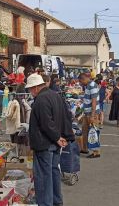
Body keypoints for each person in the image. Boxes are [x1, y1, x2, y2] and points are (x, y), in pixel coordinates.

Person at [26, 73, 74, 206]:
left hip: (45, 143)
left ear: (35, 87)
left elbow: (46, 123)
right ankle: (56, 201)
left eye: (30, 89)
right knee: (53, 173)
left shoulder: (41, 100)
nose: (30, 92)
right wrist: (64, 136)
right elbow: (66, 116)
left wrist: (58, 137)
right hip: (53, 142)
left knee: (43, 177)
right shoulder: (55, 95)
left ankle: (46, 203)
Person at [79, 73, 101, 158]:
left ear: (83, 79)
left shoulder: (92, 85)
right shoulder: (88, 85)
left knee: (93, 132)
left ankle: (96, 152)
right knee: (85, 131)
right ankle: (85, 148)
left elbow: (94, 101)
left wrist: (92, 115)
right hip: (87, 113)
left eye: (81, 82)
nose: (81, 83)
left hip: (92, 113)